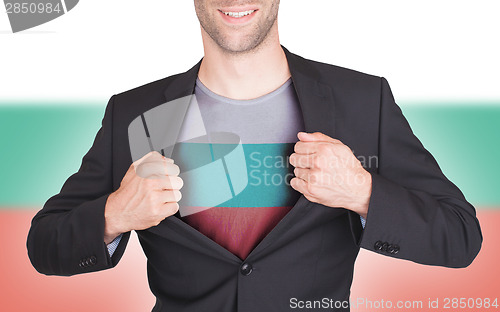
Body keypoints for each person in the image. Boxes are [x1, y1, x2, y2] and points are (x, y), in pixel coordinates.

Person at [27, 1, 482, 311]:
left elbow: (460, 236)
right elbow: (44, 245)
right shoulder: (136, 113)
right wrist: (114, 214)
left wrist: (363, 191)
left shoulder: (362, 101)